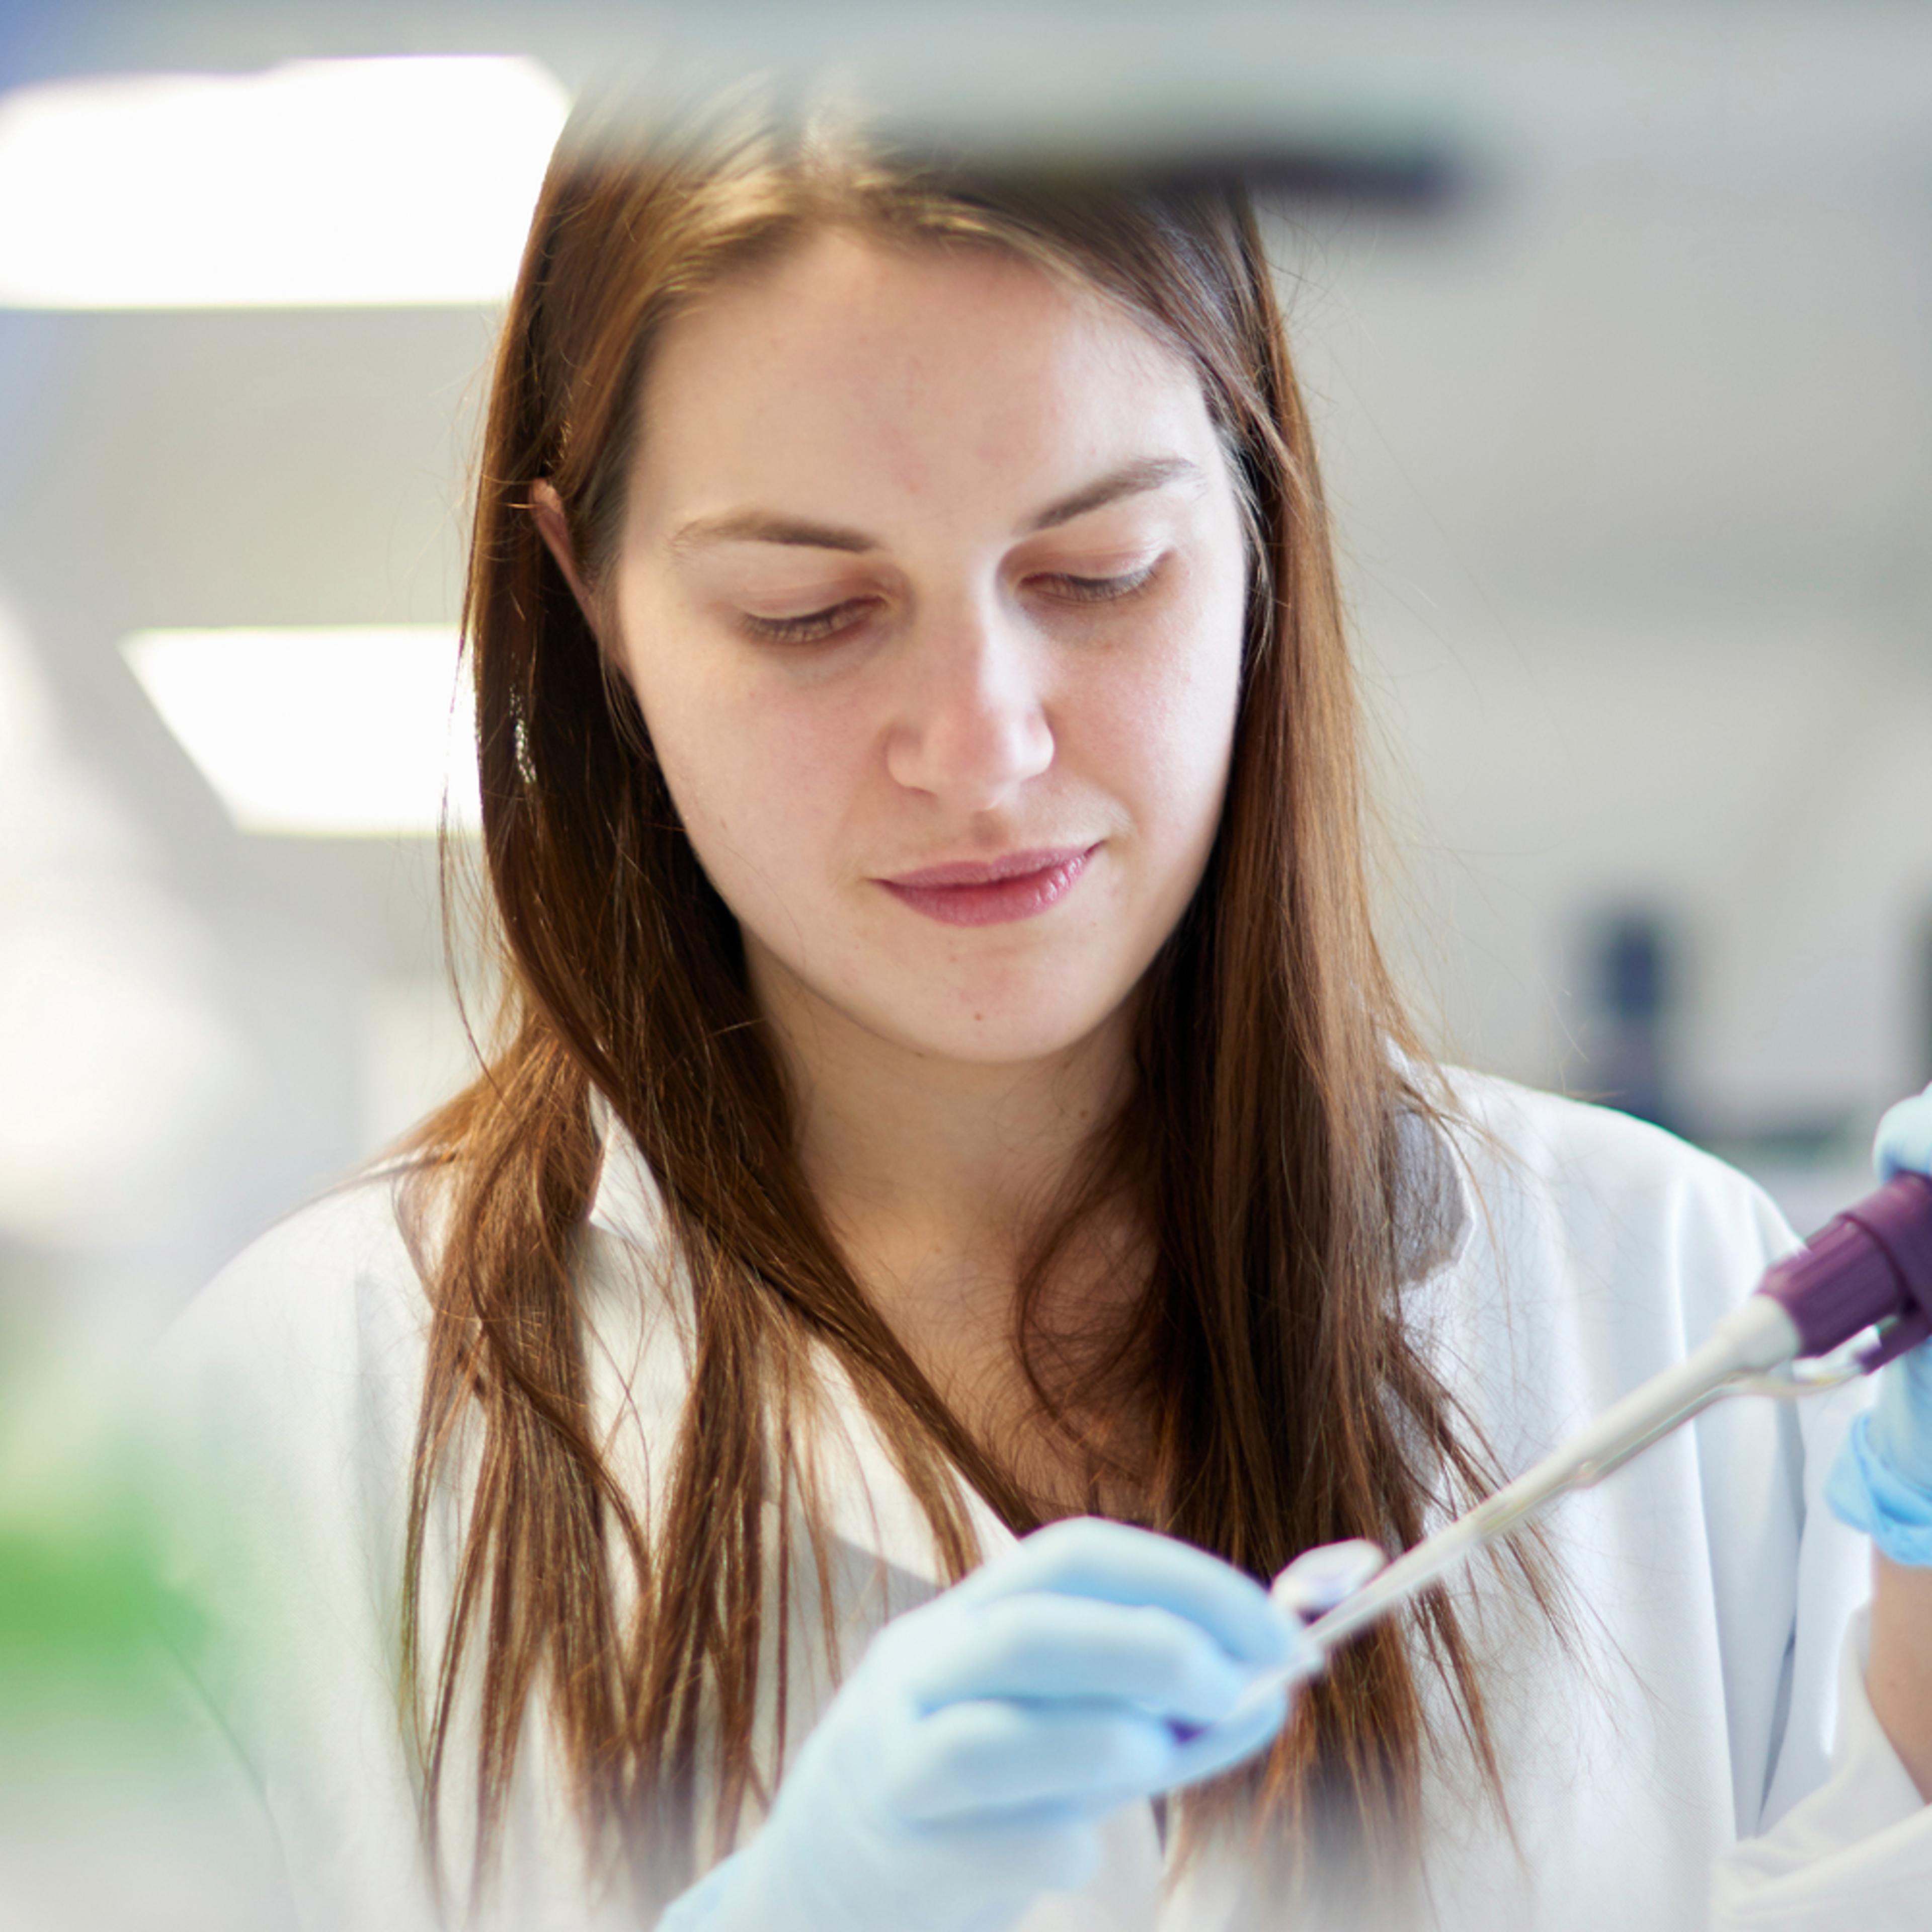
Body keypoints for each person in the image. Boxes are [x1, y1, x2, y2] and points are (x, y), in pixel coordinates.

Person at [147, 88, 1932, 1931]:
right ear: (587, 599)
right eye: (811, 610)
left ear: (1255, 530)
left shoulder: (1652, 1299)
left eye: (1098, 577)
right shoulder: (300, 1430)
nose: (985, 749)